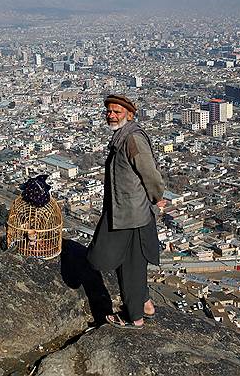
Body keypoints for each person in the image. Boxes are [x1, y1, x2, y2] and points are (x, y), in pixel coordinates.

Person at [86, 94, 165, 329]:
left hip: (130, 214)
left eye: (117, 112)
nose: (111, 115)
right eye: (109, 111)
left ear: (129, 115)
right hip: (124, 210)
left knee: (127, 263)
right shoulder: (122, 136)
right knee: (132, 261)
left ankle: (134, 317)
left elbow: (149, 172)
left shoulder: (132, 139)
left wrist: (157, 197)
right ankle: (146, 304)